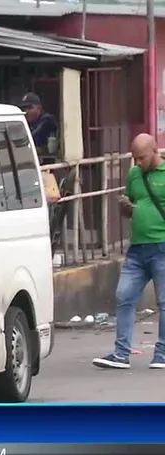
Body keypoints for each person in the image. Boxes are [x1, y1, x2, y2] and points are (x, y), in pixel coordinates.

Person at [93, 134, 165, 370]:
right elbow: (131, 209)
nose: (138, 162)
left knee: (164, 302)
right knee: (124, 296)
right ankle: (121, 353)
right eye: (135, 158)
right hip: (137, 249)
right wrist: (125, 207)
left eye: (142, 157)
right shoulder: (134, 174)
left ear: (155, 151)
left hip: (162, 246)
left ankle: (162, 354)